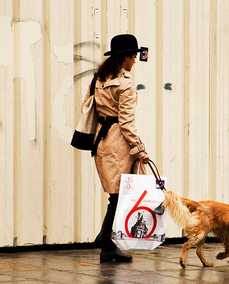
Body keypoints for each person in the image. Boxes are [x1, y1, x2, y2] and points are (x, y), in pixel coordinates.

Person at [82, 34, 150, 263]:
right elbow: (127, 123)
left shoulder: (98, 79)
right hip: (118, 143)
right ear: (127, 57)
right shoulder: (125, 83)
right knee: (119, 195)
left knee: (117, 195)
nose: (136, 60)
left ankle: (106, 239)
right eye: (134, 56)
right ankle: (107, 244)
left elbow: (87, 107)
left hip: (101, 142)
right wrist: (140, 150)